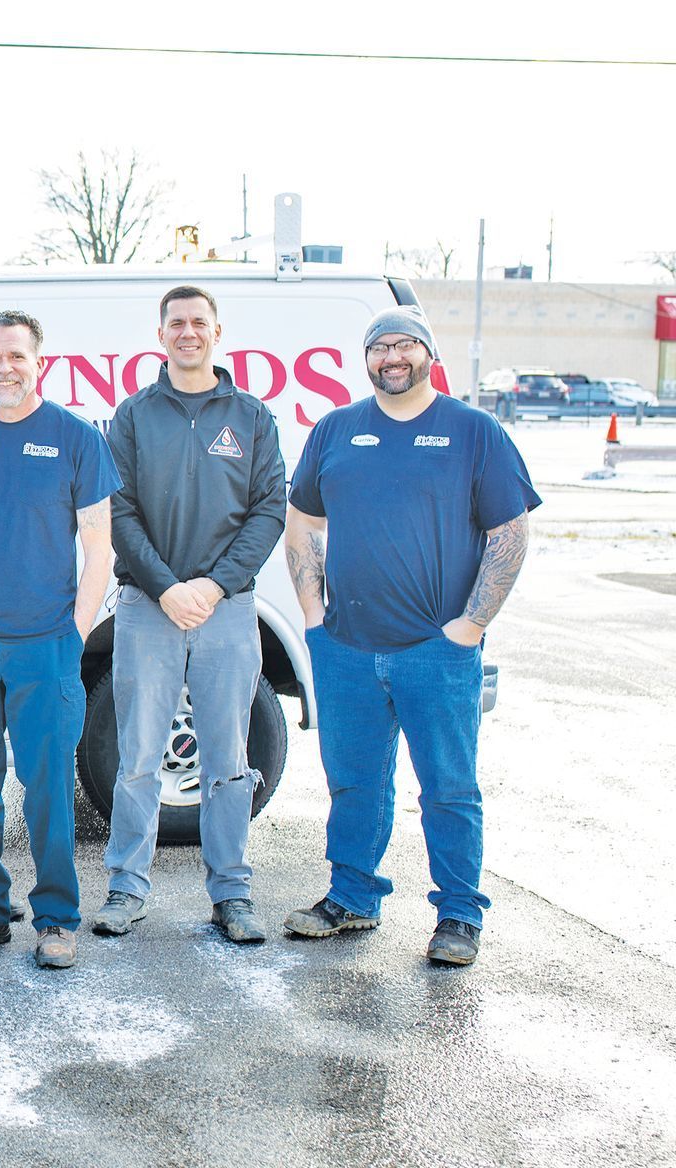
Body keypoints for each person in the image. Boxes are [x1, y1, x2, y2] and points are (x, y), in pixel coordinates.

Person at [282, 306, 538, 967]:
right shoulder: (337, 429)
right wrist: (314, 615)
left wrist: (470, 626)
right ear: (365, 358)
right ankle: (353, 897)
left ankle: (457, 914)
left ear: (428, 353)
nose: (392, 357)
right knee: (354, 783)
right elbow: (303, 519)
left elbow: (509, 533)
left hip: (436, 651)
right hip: (347, 648)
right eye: (379, 347)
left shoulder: (473, 431)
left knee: (448, 787)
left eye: (405, 345)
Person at [0, 309, 119, 968]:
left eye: (16, 356)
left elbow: (99, 548)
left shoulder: (76, 438)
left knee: (47, 788)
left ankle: (58, 919)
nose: (4, 368)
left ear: (40, 362)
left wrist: (75, 634)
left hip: (46, 643)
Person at [96, 286, 286, 945]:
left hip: (227, 611)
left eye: (197, 322)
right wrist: (168, 586)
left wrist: (213, 585)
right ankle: (126, 888)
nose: (187, 332)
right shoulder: (133, 416)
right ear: (160, 334)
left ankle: (232, 894)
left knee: (228, 760)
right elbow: (116, 510)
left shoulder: (252, 417)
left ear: (217, 332)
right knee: (140, 757)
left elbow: (269, 510)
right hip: (149, 608)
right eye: (175, 323)